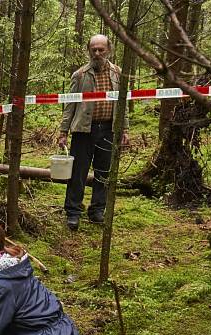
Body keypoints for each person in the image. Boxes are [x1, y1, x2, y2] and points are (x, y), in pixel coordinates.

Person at [58, 34, 129, 231]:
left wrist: (124, 128)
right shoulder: (80, 75)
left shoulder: (118, 74)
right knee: (78, 173)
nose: (97, 53)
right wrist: (63, 131)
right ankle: (73, 212)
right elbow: (70, 105)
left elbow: (123, 105)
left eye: (101, 50)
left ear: (109, 50)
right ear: (89, 51)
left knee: (103, 172)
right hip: (83, 130)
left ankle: (97, 210)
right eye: (94, 50)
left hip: (108, 130)